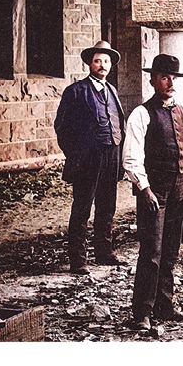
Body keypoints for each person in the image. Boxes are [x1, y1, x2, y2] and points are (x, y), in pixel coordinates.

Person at [122, 54, 183, 331]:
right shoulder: (142, 114)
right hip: (154, 191)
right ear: (153, 79)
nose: (170, 82)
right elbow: (131, 157)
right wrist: (144, 189)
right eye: (164, 77)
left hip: (179, 188)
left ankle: (164, 305)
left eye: (173, 78)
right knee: (152, 252)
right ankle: (142, 311)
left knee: (170, 251)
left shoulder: (181, 112)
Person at [54, 40, 126, 275]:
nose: (102, 65)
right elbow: (62, 127)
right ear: (89, 64)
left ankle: (104, 252)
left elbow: (119, 124)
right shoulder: (76, 91)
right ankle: (78, 260)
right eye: (97, 61)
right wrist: (76, 154)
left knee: (107, 207)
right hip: (87, 159)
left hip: (111, 156)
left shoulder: (112, 91)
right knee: (82, 208)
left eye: (106, 61)